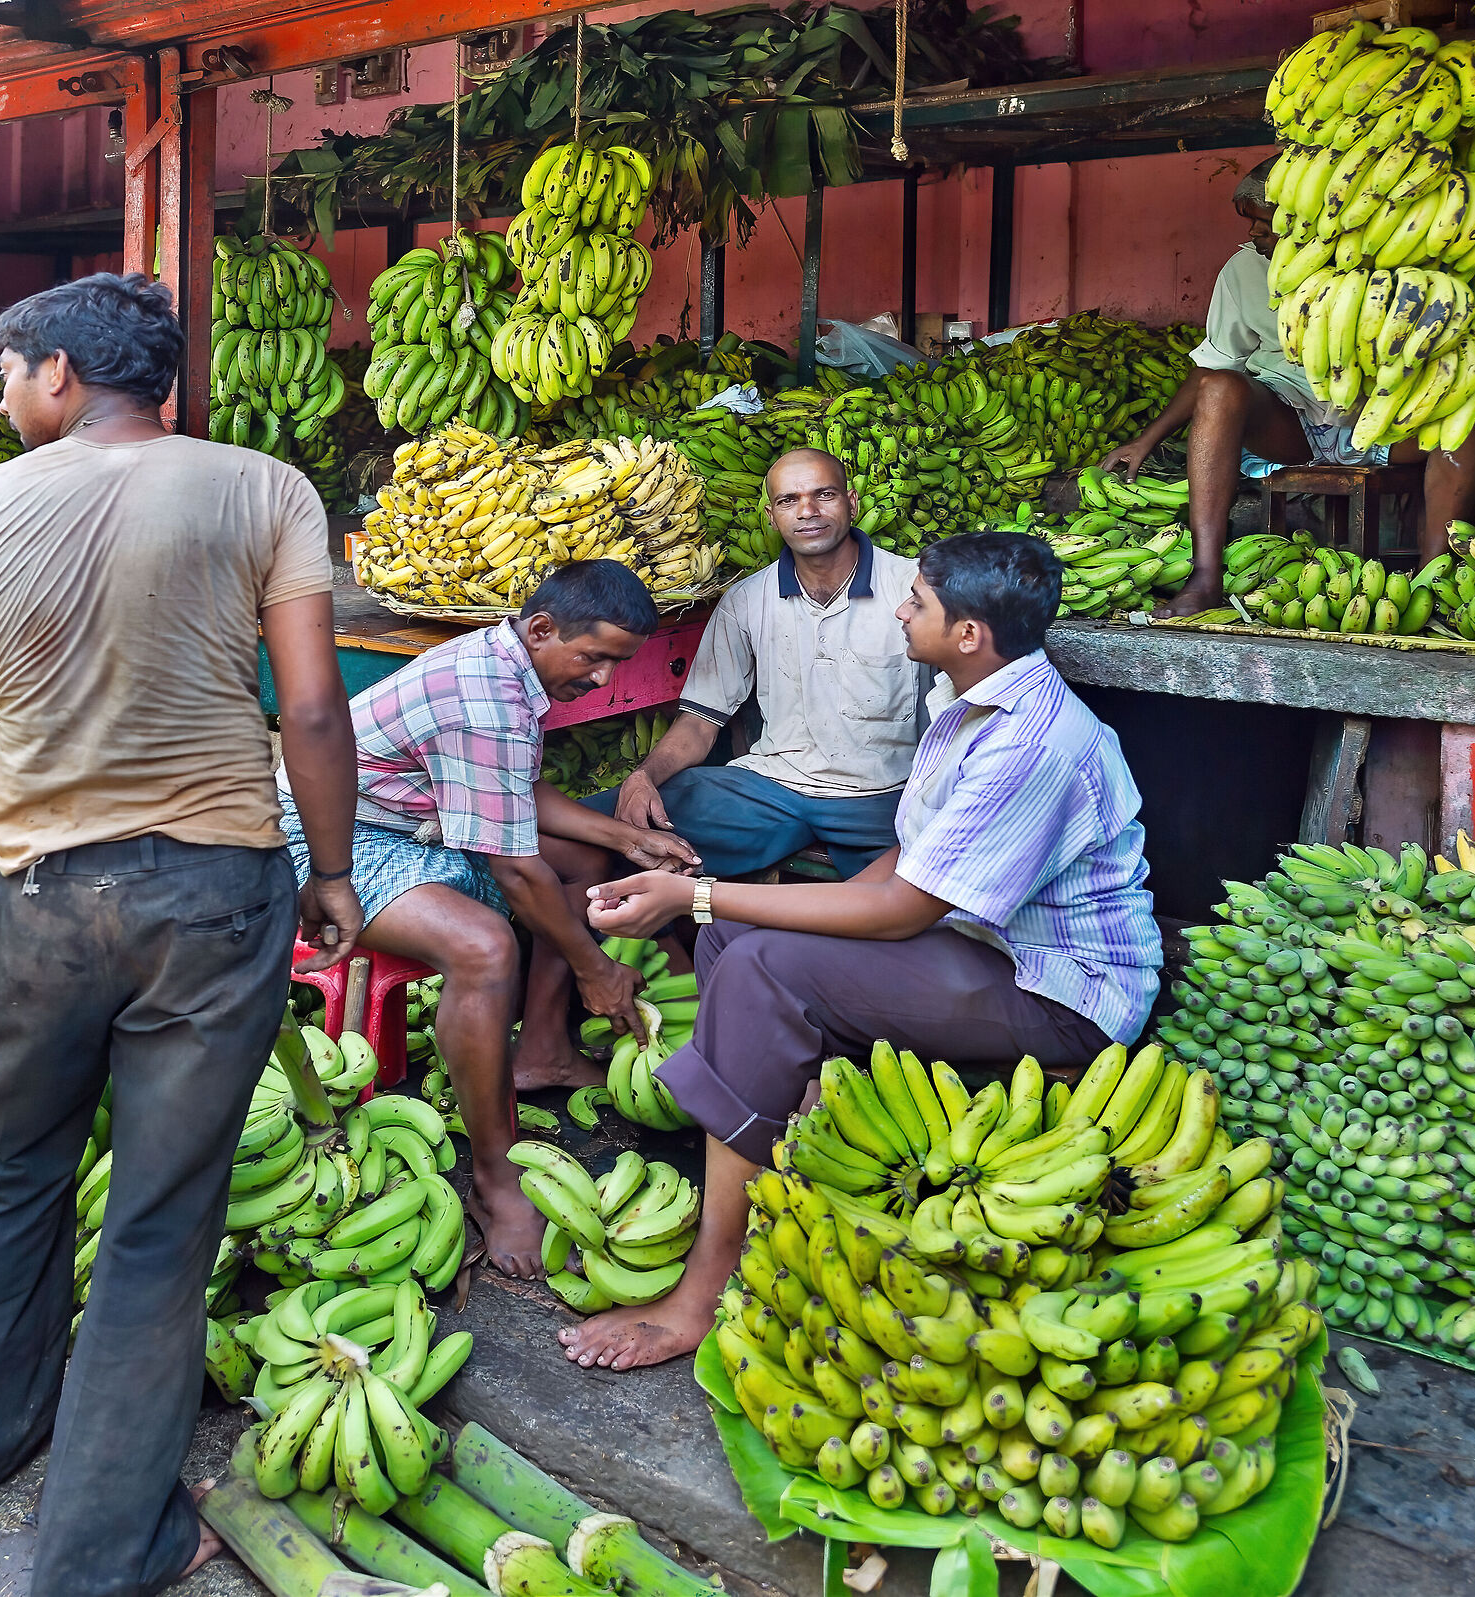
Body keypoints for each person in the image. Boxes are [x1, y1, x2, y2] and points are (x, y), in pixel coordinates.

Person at [0, 273, 363, 1596]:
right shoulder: (267, 490)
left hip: (39, 895)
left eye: (4, 373)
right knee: (160, 1215)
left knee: (12, 1167)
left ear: (54, 373)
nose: (0, 396)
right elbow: (314, 713)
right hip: (215, 893)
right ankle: (104, 1548)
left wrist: (55, 772)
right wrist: (331, 870)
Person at [553, 530, 1163, 1372]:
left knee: (766, 962)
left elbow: (904, 909)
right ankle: (775, 1157)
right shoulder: (969, 700)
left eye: (918, 602)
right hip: (979, 944)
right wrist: (726, 908)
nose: (902, 610)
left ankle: (704, 1289)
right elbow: (906, 858)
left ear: (968, 634)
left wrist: (690, 894)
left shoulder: (1034, 743)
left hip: (1058, 990)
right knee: (739, 936)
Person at [277, 560, 701, 1279]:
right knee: (485, 947)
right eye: (594, 658)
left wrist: (624, 838)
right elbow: (514, 869)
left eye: (617, 664)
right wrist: (597, 971)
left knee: (583, 864)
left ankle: (542, 1053)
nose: (602, 680)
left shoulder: (510, 668)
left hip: (414, 824)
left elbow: (514, 789)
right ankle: (495, 1180)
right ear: (541, 629)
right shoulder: (483, 695)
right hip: (327, 842)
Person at [1101, 156, 1475, 617]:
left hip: (1384, 420)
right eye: (1250, 223)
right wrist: (1148, 438)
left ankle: (1434, 586)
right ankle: (1205, 576)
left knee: (1469, 422)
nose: (1253, 235)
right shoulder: (1244, 271)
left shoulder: (1389, 274)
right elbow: (1213, 366)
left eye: (1265, 224)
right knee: (1221, 389)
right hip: (1292, 422)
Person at [584, 448, 927, 881]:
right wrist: (643, 776)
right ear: (771, 515)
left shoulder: (912, 590)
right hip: (770, 790)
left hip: (882, 798)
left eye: (824, 495)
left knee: (925, 896)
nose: (808, 511)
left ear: (852, 502)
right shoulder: (746, 600)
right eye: (789, 501)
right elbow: (699, 723)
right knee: (596, 832)